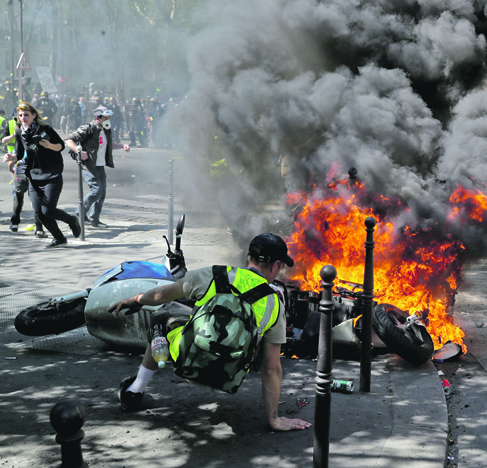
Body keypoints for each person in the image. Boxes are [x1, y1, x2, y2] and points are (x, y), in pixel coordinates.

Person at [108, 233, 312, 432]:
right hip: (230, 374)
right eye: (281, 266)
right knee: (265, 345)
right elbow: (271, 369)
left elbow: (162, 295)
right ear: (276, 266)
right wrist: (274, 419)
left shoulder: (213, 274)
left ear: (248, 257)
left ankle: (136, 389)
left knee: (164, 313)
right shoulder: (274, 303)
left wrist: (136, 300)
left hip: (188, 361)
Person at [2, 102, 80, 248]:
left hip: (51, 175)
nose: (23, 118)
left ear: (34, 115)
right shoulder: (20, 133)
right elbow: (18, 155)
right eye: (20, 115)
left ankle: (71, 220)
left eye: (26, 115)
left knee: (48, 211)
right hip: (33, 177)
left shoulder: (45, 129)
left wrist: (48, 145)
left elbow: (60, 146)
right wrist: (10, 157)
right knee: (39, 212)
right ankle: (59, 238)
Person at [65, 106, 130, 229]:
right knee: (97, 190)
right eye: (105, 117)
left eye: (109, 118)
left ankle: (94, 219)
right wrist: (79, 152)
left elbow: (108, 145)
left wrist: (122, 146)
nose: (107, 120)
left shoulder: (105, 130)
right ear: (97, 117)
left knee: (102, 193)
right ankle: (79, 213)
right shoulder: (87, 129)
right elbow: (68, 139)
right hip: (88, 165)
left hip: (100, 164)